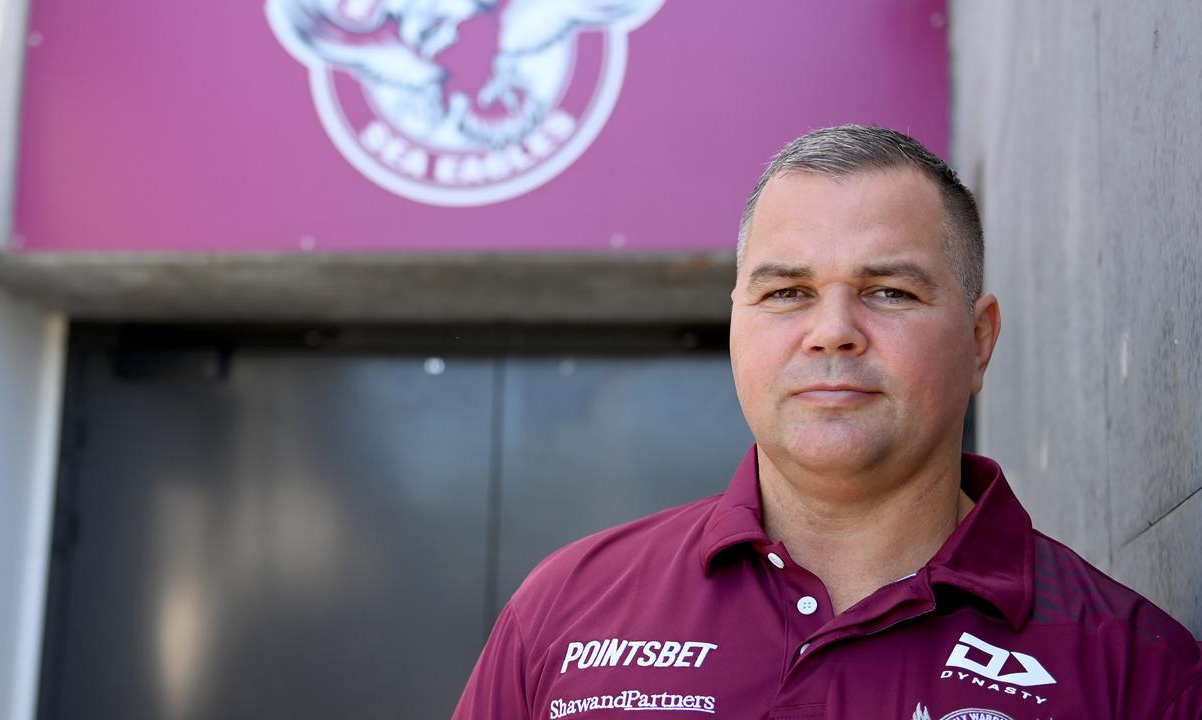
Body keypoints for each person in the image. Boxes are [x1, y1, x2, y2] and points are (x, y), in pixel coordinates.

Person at [452, 125, 1201, 719]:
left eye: (889, 292)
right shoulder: (568, 610)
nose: (832, 331)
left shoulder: (1133, 671)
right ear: (736, 327)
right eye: (786, 294)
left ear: (979, 342)